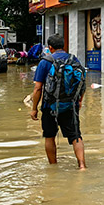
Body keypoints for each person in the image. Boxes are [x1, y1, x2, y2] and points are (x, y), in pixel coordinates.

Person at [29, 34, 86, 169]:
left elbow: (38, 88)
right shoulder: (74, 60)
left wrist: (34, 108)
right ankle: (82, 166)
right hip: (70, 105)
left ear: (50, 47)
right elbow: (82, 82)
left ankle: (53, 168)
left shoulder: (45, 62)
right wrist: (79, 101)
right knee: (76, 136)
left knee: (49, 136)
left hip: (50, 106)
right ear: (63, 46)